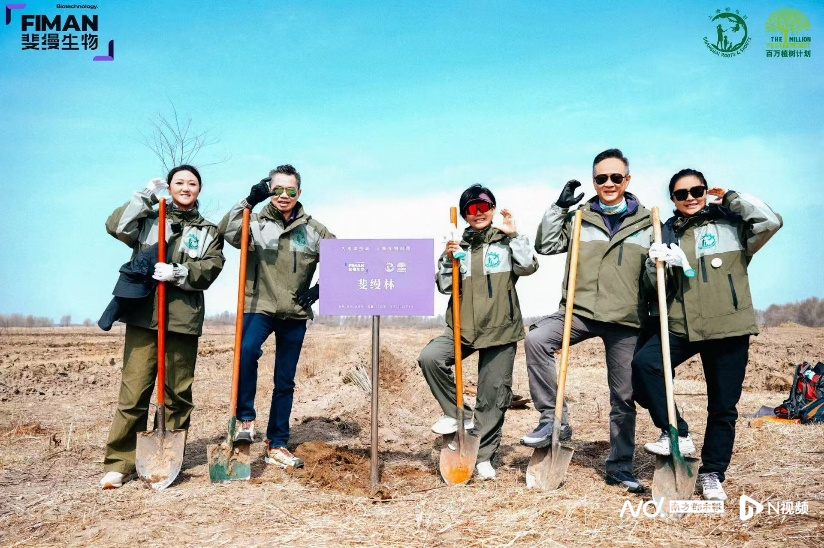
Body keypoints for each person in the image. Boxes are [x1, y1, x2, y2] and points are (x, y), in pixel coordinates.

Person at [632, 168, 782, 501]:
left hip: (728, 327)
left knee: (723, 407)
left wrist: (731, 197)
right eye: (681, 194)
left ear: (705, 191)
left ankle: (712, 473)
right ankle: (677, 433)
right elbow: (651, 288)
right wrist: (653, 264)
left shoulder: (733, 225)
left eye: (696, 191)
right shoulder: (665, 232)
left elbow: (771, 222)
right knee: (644, 366)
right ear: (673, 199)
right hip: (682, 325)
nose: (690, 198)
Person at [521, 149, 652, 492]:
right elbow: (547, 245)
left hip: (625, 318)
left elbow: (655, 276)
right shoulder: (581, 216)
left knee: (623, 396)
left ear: (627, 179)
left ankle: (620, 465)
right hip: (578, 311)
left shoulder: (648, 223)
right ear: (594, 181)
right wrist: (559, 208)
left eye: (615, 177)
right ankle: (554, 421)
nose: (608, 183)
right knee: (536, 339)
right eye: (601, 178)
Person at [100, 165, 225, 489]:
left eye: (192, 183)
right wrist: (143, 197)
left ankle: (168, 457)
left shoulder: (208, 230)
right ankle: (120, 462)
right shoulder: (150, 220)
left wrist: (180, 272)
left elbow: (212, 266)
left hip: (182, 320)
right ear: (169, 187)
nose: (185, 187)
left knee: (177, 394)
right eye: (179, 182)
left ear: (199, 189)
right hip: (145, 316)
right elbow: (115, 226)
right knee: (134, 391)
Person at [418, 184, 538, 480]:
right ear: (464, 215)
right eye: (471, 209)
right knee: (430, 358)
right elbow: (446, 286)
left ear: (493, 209)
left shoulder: (506, 242)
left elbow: (529, 266)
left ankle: (483, 456)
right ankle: (459, 415)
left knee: (493, 394)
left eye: (484, 206)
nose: (478, 212)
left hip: (501, 329)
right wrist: (448, 259)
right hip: (463, 329)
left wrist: (515, 234)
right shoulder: (458, 248)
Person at [221, 164, 335, 469]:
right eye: (277, 189)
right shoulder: (254, 222)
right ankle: (245, 419)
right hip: (259, 305)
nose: (284, 195)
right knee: (246, 353)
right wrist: (248, 201)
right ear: (269, 190)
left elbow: (342, 259)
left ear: (299, 192)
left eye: (291, 190)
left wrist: (320, 289)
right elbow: (227, 232)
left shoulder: (314, 230)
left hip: (295, 312)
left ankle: (277, 443)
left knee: (285, 381)